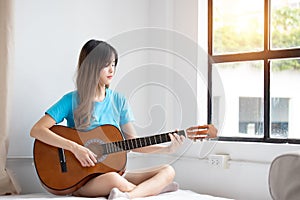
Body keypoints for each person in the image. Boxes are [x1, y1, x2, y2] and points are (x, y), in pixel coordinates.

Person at [30, 39, 218, 199]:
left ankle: (129, 195)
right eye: (106, 65)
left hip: (115, 172)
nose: (112, 70)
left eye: (114, 64)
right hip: (84, 179)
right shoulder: (71, 100)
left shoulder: (119, 100)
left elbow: (133, 143)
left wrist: (168, 148)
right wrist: (75, 148)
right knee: (114, 180)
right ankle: (148, 191)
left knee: (168, 171)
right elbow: (37, 130)